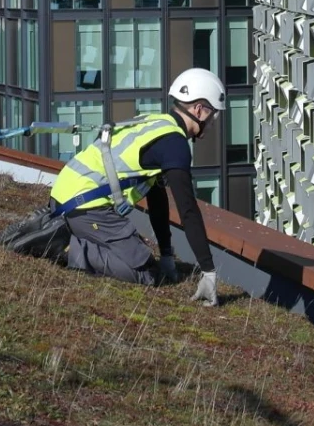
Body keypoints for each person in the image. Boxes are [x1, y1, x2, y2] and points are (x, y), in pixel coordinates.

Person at [46, 68, 224, 305]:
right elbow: (188, 210)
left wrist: (167, 255)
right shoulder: (176, 146)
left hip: (64, 195)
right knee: (146, 273)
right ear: (199, 110)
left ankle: (60, 230)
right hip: (85, 205)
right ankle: (64, 247)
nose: (212, 124)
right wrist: (209, 272)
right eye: (213, 115)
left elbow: (157, 198)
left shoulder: (156, 122)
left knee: (146, 261)